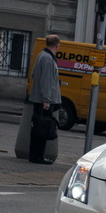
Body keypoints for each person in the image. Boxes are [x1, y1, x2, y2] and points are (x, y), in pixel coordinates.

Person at [29, 34, 62, 164]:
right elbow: (47, 81)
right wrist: (47, 100)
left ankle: (34, 155)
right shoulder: (48, 59)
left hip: (38, 98)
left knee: (37, 128)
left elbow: (34, 74)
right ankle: (38, 156)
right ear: (57, 45)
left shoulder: (41, 55)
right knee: (42, 128)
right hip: (44, 100)